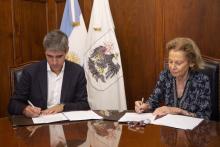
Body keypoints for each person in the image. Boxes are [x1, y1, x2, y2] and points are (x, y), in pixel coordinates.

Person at [8, 29, 90, 118]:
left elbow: (84, 105)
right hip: (38, 124)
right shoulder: (30, 72)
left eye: (59, 56)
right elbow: (13, 104)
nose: (54, 62)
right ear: (45, 52)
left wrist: (62, 107)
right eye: (50, 56)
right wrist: (24, 109)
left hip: (67, 125)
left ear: (66, 51)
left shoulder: (77, 72)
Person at [135, 37, 211, 119]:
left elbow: (205, 116)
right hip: (168, 128)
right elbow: (153, 100)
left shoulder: (201, 80)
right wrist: (145, 106)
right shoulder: (165, 75)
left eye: (178, 63)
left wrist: (178, 111)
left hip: (192, 130)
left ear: (191, 63)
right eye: (170, 61)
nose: (172, 67)